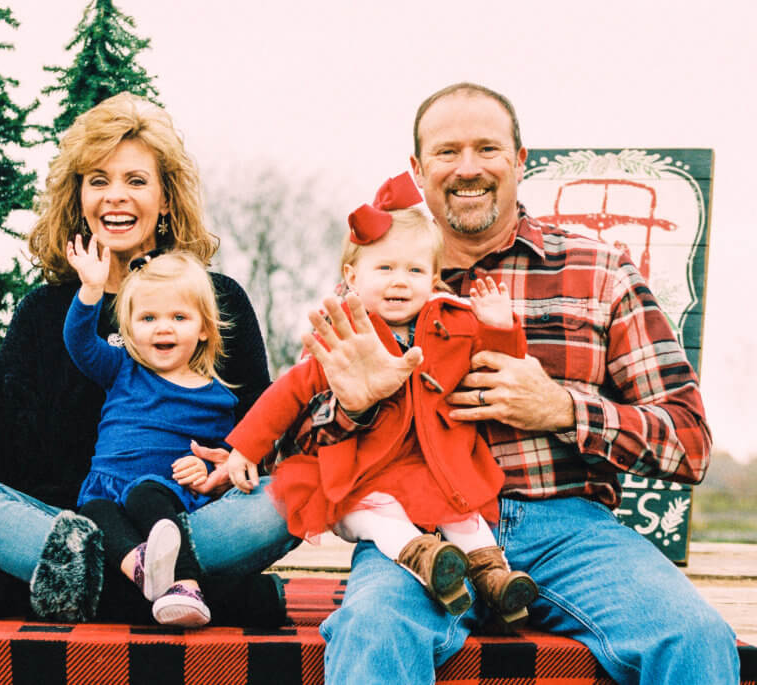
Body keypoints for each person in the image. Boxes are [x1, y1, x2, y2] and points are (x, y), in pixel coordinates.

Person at [307, 83, 739, 684]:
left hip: (568, 528)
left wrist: (563, 409)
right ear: (417, 168)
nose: (468, 168)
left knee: (694, 638)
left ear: (520, 159)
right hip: (422, 535)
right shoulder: (374, 289)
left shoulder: (600, 272)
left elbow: (688, 443)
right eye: (446, 151)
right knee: (373, 632)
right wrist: (353, 407)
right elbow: (300, 446)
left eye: (487, 148)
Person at [0, 92, 294, 627]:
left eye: (136, 181)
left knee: (294, 495)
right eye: (98, 180)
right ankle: (216, 596)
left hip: (186, 522)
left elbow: (263, 431)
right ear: (79, 198)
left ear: (166, 198)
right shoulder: (47, 312)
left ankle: (64, 592)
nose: (115, 197)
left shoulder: (219, 300)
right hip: (69, 526)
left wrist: (226, 462)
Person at [225, 176, 537, 624]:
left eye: (413, 271)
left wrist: (499, 327)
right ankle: (425, 560)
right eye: (385, 269)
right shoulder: (345, 334)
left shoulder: (454, 325)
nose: (399, 282)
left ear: (433, 280)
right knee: (379, 513)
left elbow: (497, 369)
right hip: (362, 471)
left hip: (434, 464)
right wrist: (246, 447)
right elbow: (290, 391)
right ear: (353, 277)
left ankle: (496, 580)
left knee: (465, 517)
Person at [64, 244, 238, 626]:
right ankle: (140, 567)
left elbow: (224, 450)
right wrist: (91, 290)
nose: (163, 327)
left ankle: (187, 587)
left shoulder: (216, 397)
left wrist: (204, 465)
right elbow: (79, 344)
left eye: (179, 316)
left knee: (145, 494)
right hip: (105, 488)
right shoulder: (121, 368)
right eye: (148, 317)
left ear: (204, 328)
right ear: (129, 329)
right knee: (92, 515)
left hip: (163, 492)